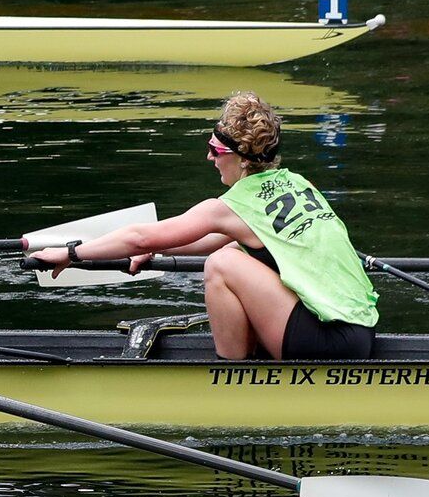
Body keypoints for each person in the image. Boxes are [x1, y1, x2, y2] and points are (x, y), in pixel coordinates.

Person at [33, 92, 380, 361]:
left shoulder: (228, 207)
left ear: (242, 158)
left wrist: (71, 253)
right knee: (231, 250)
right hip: (360, 334)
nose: (210, 158)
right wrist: (160, 248)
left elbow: (139, 235)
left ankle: (226, 374)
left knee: (221, 264)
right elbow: (214, 239)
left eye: (215, 149)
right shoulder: (299, 184)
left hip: (326, 345)